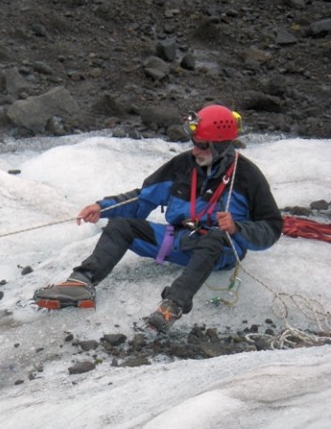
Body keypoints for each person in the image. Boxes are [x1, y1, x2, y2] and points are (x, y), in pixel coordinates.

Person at [33, 104, 283, 332]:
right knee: (122, 227)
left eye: (202, 145)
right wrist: (102, 207)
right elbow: (141, 200)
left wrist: (238, 228)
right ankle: (81, 283)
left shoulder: (248, 176)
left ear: (221, 145)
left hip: (221, 250)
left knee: (215, 238)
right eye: (194, 142)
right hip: (181, 239)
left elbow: (271, 228)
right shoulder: (183, 165)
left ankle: (172, 305)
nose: (195, 149)